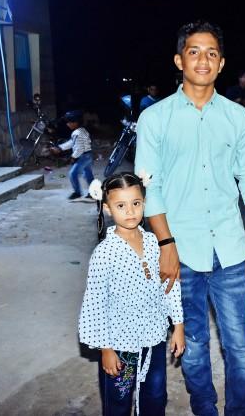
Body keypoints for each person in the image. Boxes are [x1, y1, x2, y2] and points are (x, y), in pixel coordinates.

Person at [134, 20, 245, 415]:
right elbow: (150, 187)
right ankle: (204, 408)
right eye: (195, 52)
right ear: (179, 60)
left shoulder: (238, 118)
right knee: (194, 343)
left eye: (212, 53)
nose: (203, 60)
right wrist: (165, 243)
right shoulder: (155, 119)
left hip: (230, 248)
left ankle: (239, 409)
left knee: (240, 344)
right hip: (180, 250)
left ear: (222, 64)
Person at [79, 172, 185, 416]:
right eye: (121, 206)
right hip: (121, 346)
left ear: (144, 203)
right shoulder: (104, 254)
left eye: (136, 203)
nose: (130, 211)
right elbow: (95, 304)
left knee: (155, 396)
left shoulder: (154, 243)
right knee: (119, 400)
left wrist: (178, 325)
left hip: (154, 339)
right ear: (107, 208)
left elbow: (169, 285)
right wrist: (105, 349)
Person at [51, 110, 94, 199]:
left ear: (75, 122)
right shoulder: (82, 130)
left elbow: (79, 148)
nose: (67, 124)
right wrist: (60, 148)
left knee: (72, 174)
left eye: (69, 122)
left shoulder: (76, 133)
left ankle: (77, 192)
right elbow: (72, 143)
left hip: (83, 156)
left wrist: (73, 157)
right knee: (88, 174)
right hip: (88, 155)